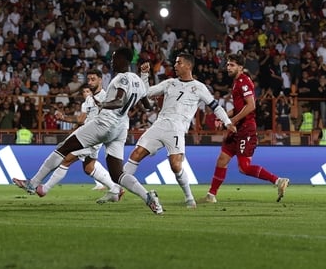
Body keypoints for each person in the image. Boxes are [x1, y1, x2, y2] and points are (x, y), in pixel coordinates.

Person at [13, 48, 160, 214]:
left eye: (114, 58)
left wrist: (104, 104)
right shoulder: (137, 80)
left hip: (105, 123)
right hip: (120, 129)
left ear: (123, 59)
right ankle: (148, 197)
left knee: (64, 148)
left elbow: (118, 101)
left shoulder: (121, 78)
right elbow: (147, 105)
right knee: (116, 173)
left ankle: (33, 183)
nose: (111, 61)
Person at [121, 54, 236, 209]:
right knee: (136, 153)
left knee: (175, 165)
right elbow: (146, 93)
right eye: (175, 63)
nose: (175, 65)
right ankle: (117, 189)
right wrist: (144, 75)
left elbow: (215, 106)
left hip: (177, 128)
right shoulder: (170, 83)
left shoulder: (199, 87)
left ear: (188, 66)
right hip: (160, 124)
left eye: (178, 63)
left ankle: (189, 198)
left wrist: (227, 122)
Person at [14, 70, 125, 204]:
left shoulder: (106, 98)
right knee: (89, 168)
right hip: (88, 134)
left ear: (101, 80)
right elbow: (80, 119)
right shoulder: (89, 100)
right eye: (88, 79)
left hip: (94, 136)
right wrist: (64, 118)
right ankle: (115, 188)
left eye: (93, 79)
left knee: (66, 157)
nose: (90, 82)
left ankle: (40, 187)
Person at [199, 53, 290, 204]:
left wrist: (232, 121)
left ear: (240, 67)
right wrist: (223, 118)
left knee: (244, 168)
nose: (228, 67)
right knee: (222, 159)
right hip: (236, 129)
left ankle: (278, 180)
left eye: (232, 65)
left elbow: (251, 106)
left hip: (246, 129)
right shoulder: (236, 83)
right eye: (228, 64)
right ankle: (211, 195)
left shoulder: (244, 82)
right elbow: (237, 108)